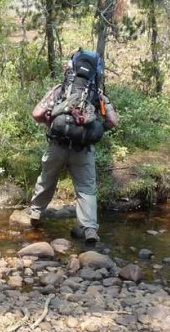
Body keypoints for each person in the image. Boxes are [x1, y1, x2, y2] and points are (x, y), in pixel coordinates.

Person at [27, 52, 119, 247]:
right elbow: (113, 121)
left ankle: (35, 213)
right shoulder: (98, 95)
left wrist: (50, 123)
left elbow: (36, 114)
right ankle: (90, 229)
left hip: (57, 145)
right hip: (83, 150)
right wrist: (98, 128)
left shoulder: (60, 90)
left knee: (47, 179)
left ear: (71, 69)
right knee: (86, 189)